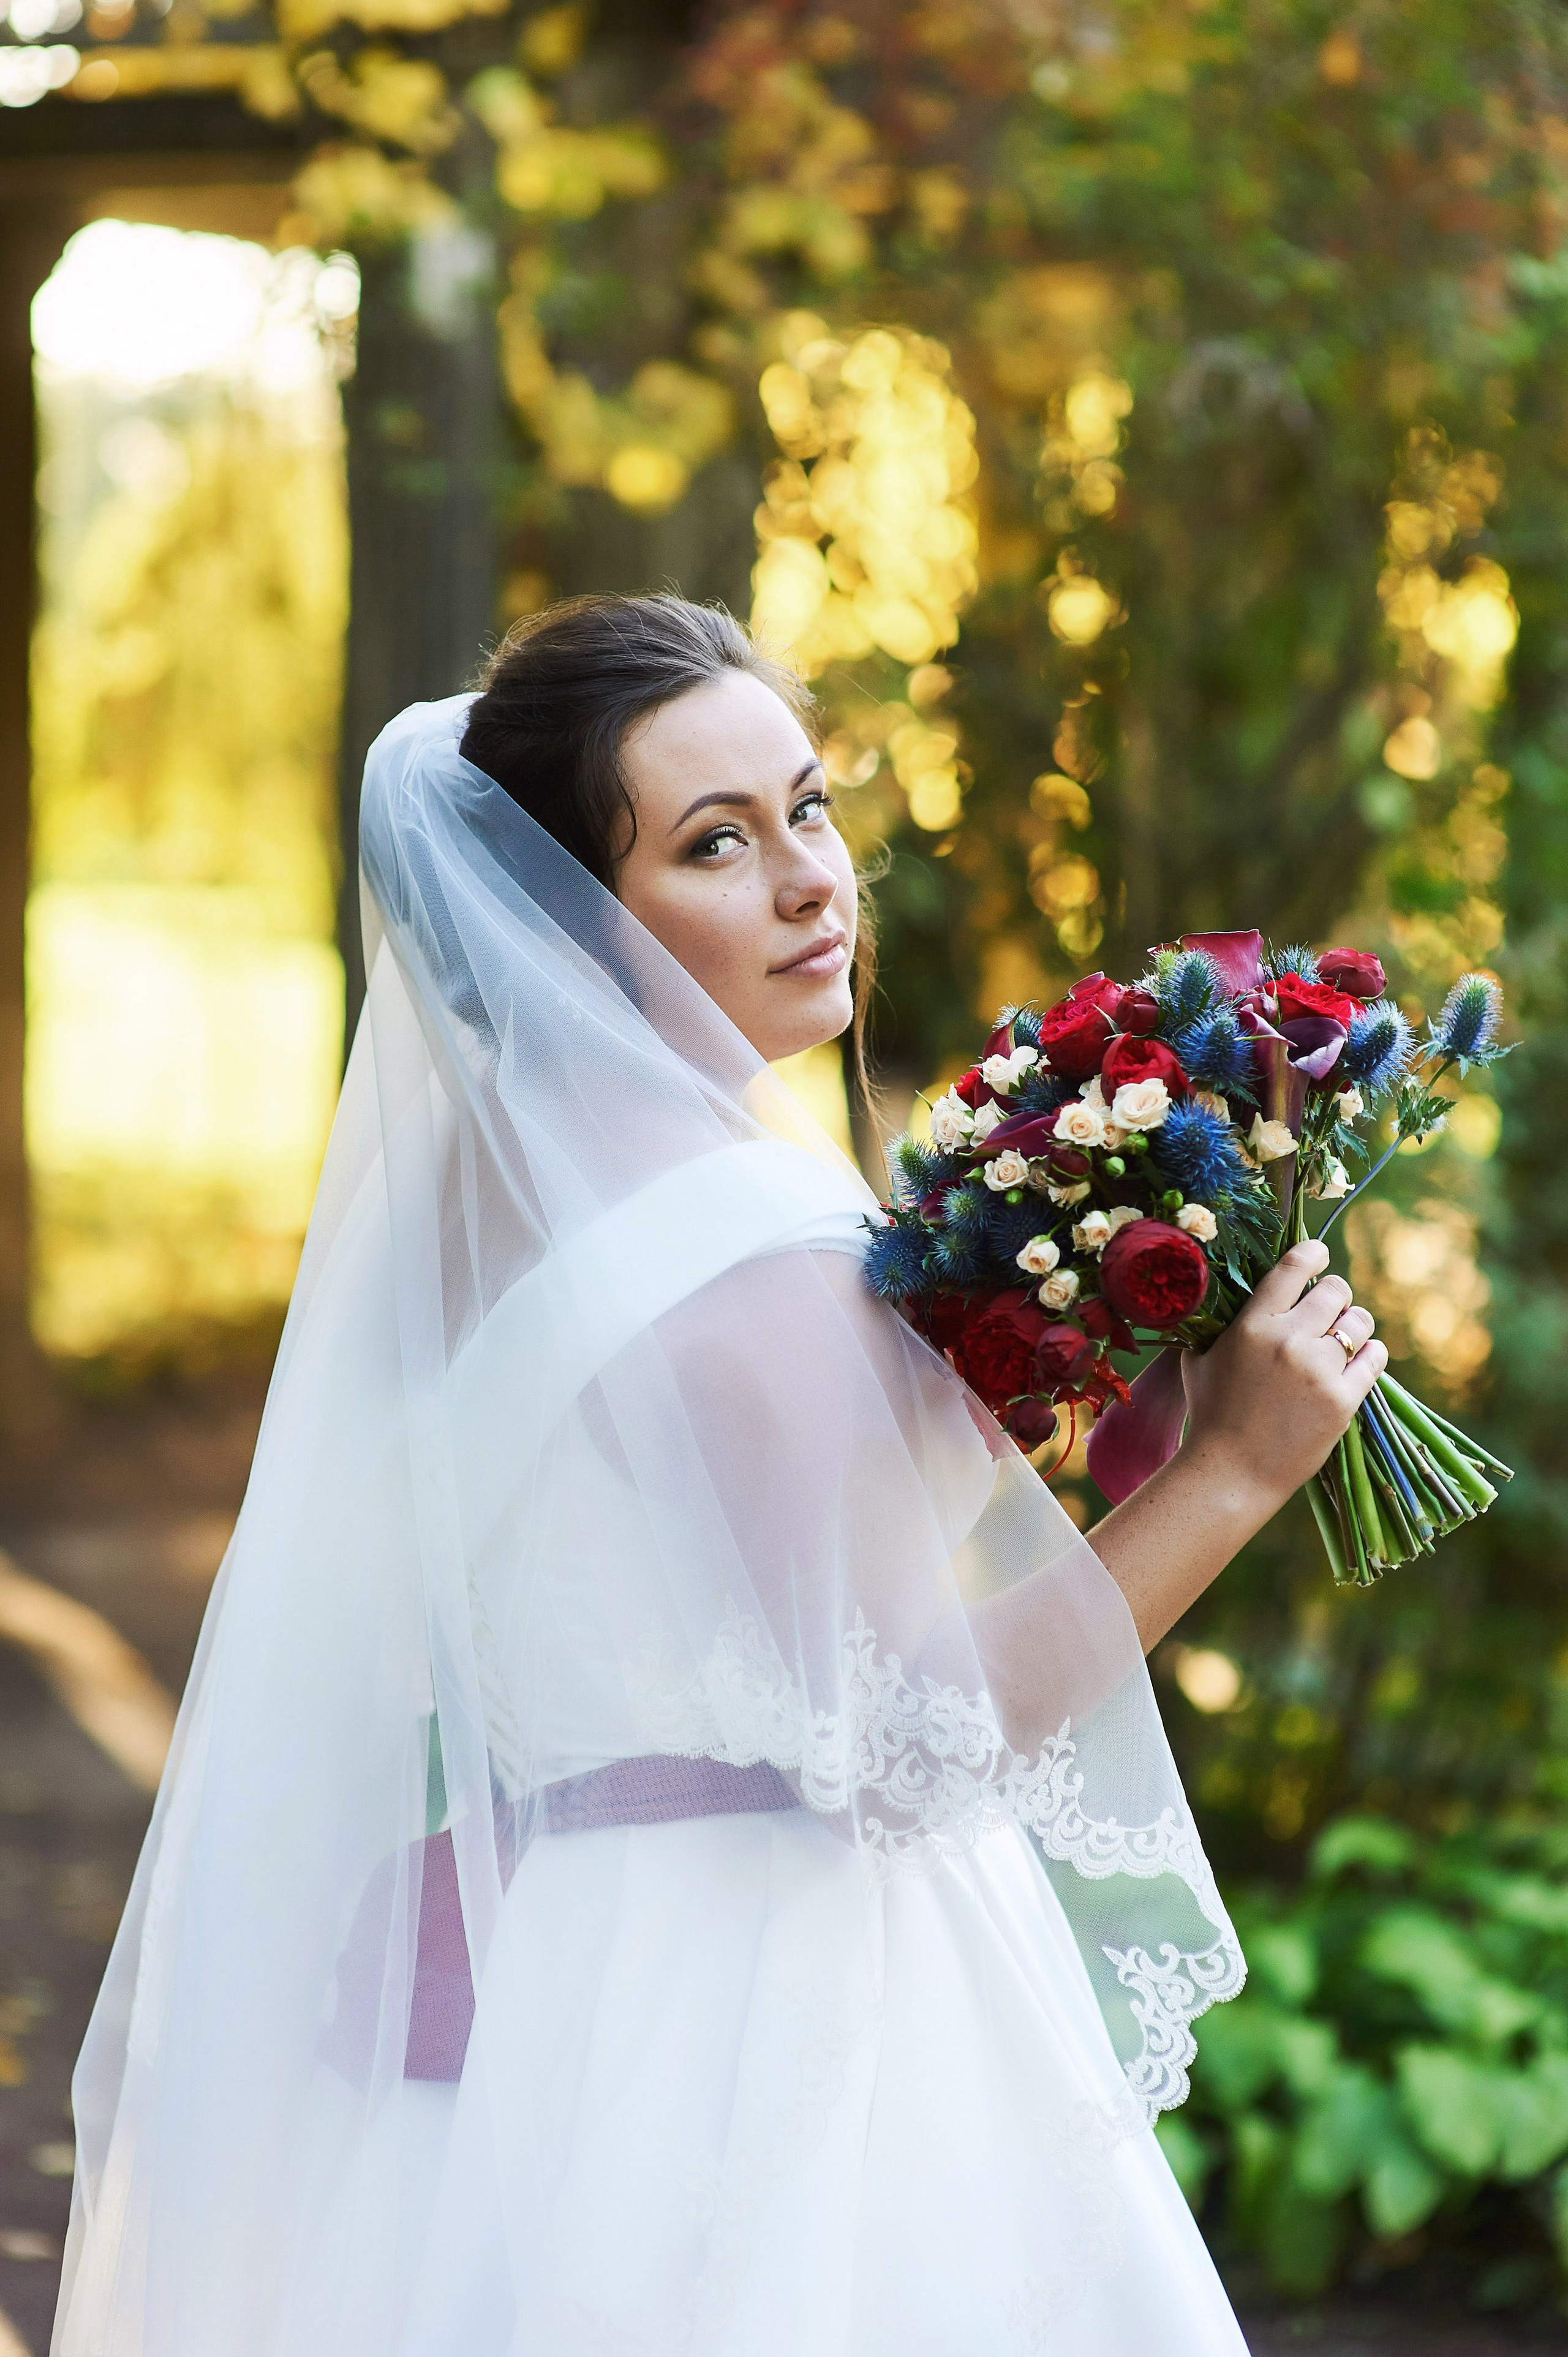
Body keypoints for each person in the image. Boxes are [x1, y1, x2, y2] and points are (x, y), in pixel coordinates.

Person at [53, 594, 1384, 2357]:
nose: (812, 880)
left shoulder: (488, 1203)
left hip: (569, 1974)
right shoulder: (737, 1250)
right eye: (715, 843)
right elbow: (913, 1742)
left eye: (808, 807)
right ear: (570, 919)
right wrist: (1232, 1471)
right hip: (774, 2001)